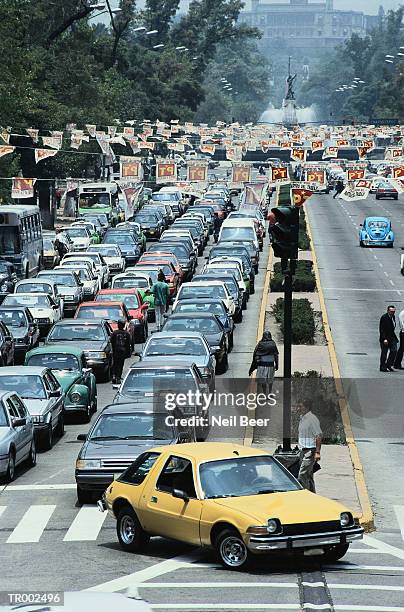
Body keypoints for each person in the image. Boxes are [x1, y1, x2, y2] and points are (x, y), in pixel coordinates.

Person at [297, 400, 322, 493]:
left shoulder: (312, 419)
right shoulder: (302, 418)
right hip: (302, 451)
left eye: (300, 406)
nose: (298, 409)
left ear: (307, 407)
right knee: (309, 475)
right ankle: (312, 494)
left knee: (302, 475)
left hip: (310, 451)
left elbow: (318, 436)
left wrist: (317, 452)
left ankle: (304, 496)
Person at [110, 319, 131, 384]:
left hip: (116, 351)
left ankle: (115, 376)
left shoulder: (114, 333)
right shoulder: (126, 334)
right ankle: (117, 376)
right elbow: (128, 344)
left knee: (115, 364)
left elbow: (111, 342)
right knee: (120, 364)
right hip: (122, 351)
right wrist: (128, 353)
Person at [379, 305, 398, 372]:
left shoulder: (393, 317)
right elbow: (382, 329)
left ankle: (388, 364)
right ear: (388, 311)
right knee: (384, 353)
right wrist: (384, 339)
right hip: (385, 338)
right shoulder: (384, 317)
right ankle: (382, 367)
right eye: (391, 311)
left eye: (394, 311)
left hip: (392, 338)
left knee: (394, 350)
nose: (392, 313)